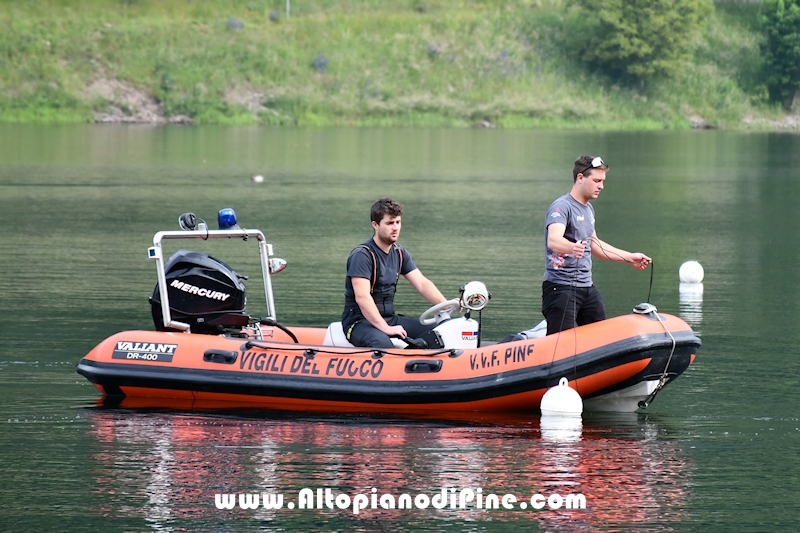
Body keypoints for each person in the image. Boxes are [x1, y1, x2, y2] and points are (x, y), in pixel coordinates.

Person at [542, 155, 651, 336]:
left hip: (586, 288)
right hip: (560, 288)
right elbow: (553, 240)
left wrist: (629, 257)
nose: (601, 186)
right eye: (597, 180)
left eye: (602, 181)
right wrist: (572, 247)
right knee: (560, 346)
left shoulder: (588, 209)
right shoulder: (561, 207)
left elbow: (595, 245)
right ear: (580, 178)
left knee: (601, 338)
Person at [341, 198, 449, 348]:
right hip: (359, 323)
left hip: (389, 319)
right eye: (390, 223)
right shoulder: (362, 255)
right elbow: (362, 297)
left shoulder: (399, 252)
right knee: (383, 344)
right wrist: (386, 329)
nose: (395, 227)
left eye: (398, 222)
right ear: (375, 225)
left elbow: (422, 284)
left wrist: (446, 305)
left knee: (442, 333)